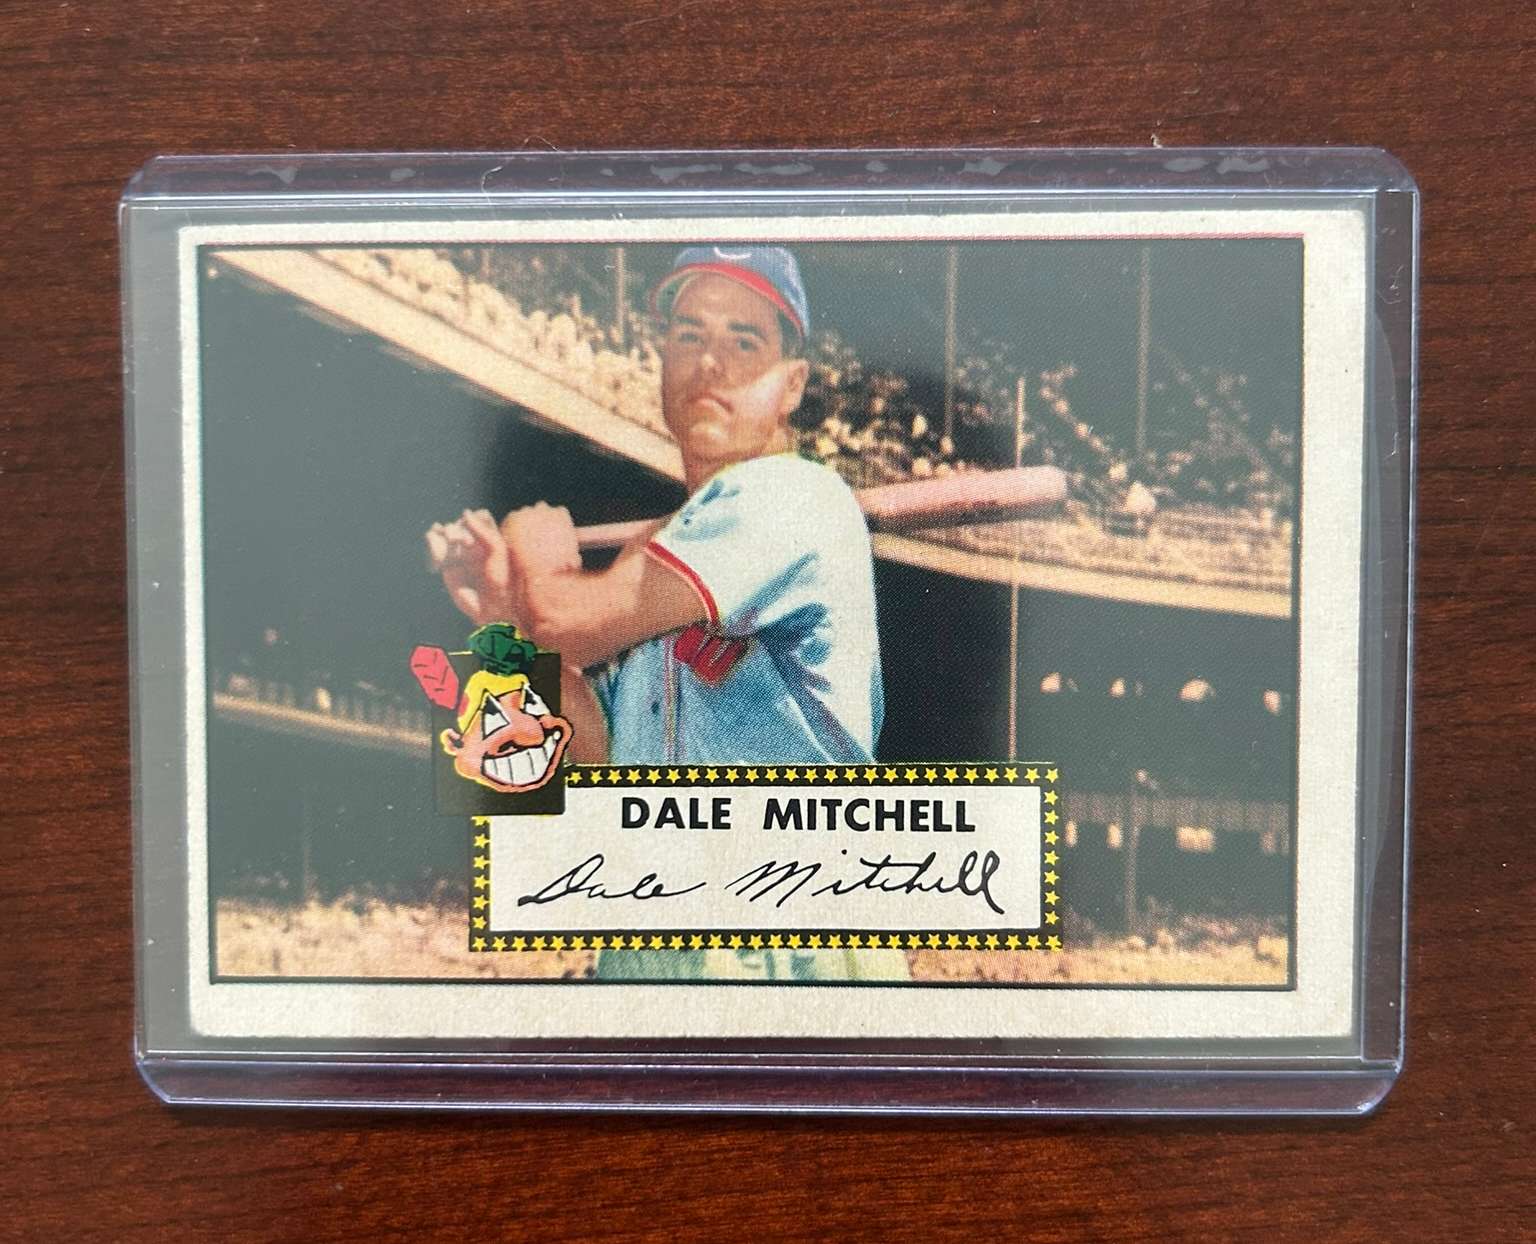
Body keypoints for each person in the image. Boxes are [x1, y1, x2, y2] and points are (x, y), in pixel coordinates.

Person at [427, 245, 904, 982]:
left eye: (744, 341)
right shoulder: (662, 563)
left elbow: (561, 619)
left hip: (790, 949)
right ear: (662, 362)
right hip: (650, 943)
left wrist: (539, 565)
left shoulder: (794, 497)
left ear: (792, 384)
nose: (710, 362)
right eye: (690, 335)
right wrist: (502, 619)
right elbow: (580, 764)